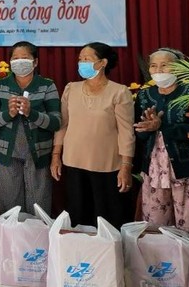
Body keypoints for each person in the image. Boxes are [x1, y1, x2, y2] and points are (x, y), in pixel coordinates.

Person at [51, 42, 135, 228]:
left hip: (107, 165)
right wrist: (56, 155)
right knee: (78, 216)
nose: (81, 63)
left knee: (107, 219)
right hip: (74, 162)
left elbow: (126, 132)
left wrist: (126, 166)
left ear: (102, 62)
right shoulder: (71, 89)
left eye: (87, 59)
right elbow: (62, 125)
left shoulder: (119, 92)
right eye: (80, 59)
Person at [0, 41, 61, 215]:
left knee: (39, 203)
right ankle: (10, 233)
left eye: (24, 58)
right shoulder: (1, 85)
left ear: (35, 62)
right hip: (8, 154)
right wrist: (8, 114)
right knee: (9, 204)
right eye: (15, 58)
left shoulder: (47, 86)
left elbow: (56, 122)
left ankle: (37, 232)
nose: (19, 62)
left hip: (38, 154)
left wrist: (31, 113)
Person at [134, 48, 189, 234]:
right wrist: (147, 128)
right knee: (156, 226)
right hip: (154, 168)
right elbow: (139, 131)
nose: (158, 70)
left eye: (165, 65)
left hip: (187, 168)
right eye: (154, 66)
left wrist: (162, 126)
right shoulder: (145, 95)